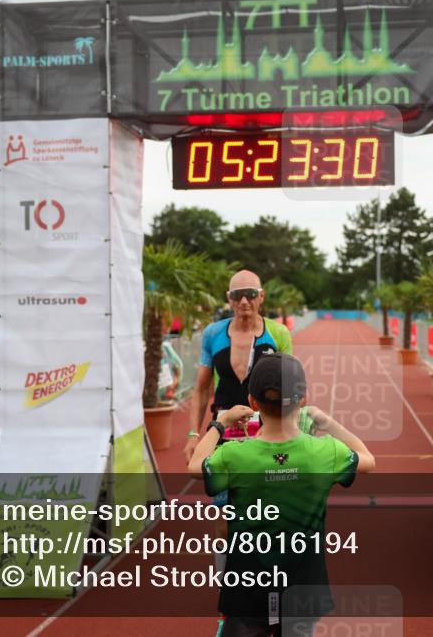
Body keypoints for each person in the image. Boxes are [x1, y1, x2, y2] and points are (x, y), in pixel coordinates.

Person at [188, 353, 375, 637]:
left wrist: (220, 423)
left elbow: (195, 466)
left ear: (252, 402)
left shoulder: (234, 454)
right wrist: (327, 422)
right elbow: (368, 459)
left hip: (248, 589)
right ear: (303, 399)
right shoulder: (326, 451)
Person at [184, 270, 292, 461]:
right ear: (229, 298)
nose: (243, 301)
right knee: (219, 480)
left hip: (266, 432)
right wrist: (193, 435)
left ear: (261, 296)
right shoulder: (212, 333)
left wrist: (287, 430)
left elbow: (290, 388)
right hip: (222, 428)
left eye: (250, 294)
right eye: (237, 295)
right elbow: (201, 389)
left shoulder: (279, 333)